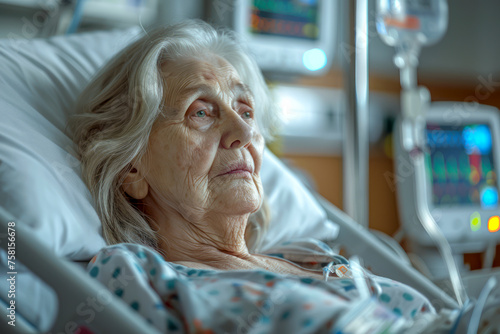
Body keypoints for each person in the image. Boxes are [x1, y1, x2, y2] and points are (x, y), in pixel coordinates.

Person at [71, 20, 435, 333]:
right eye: (200, 112)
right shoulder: (132, 275)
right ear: (131, 166)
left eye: (245, 111)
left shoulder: (311, 256)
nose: (244, 134)